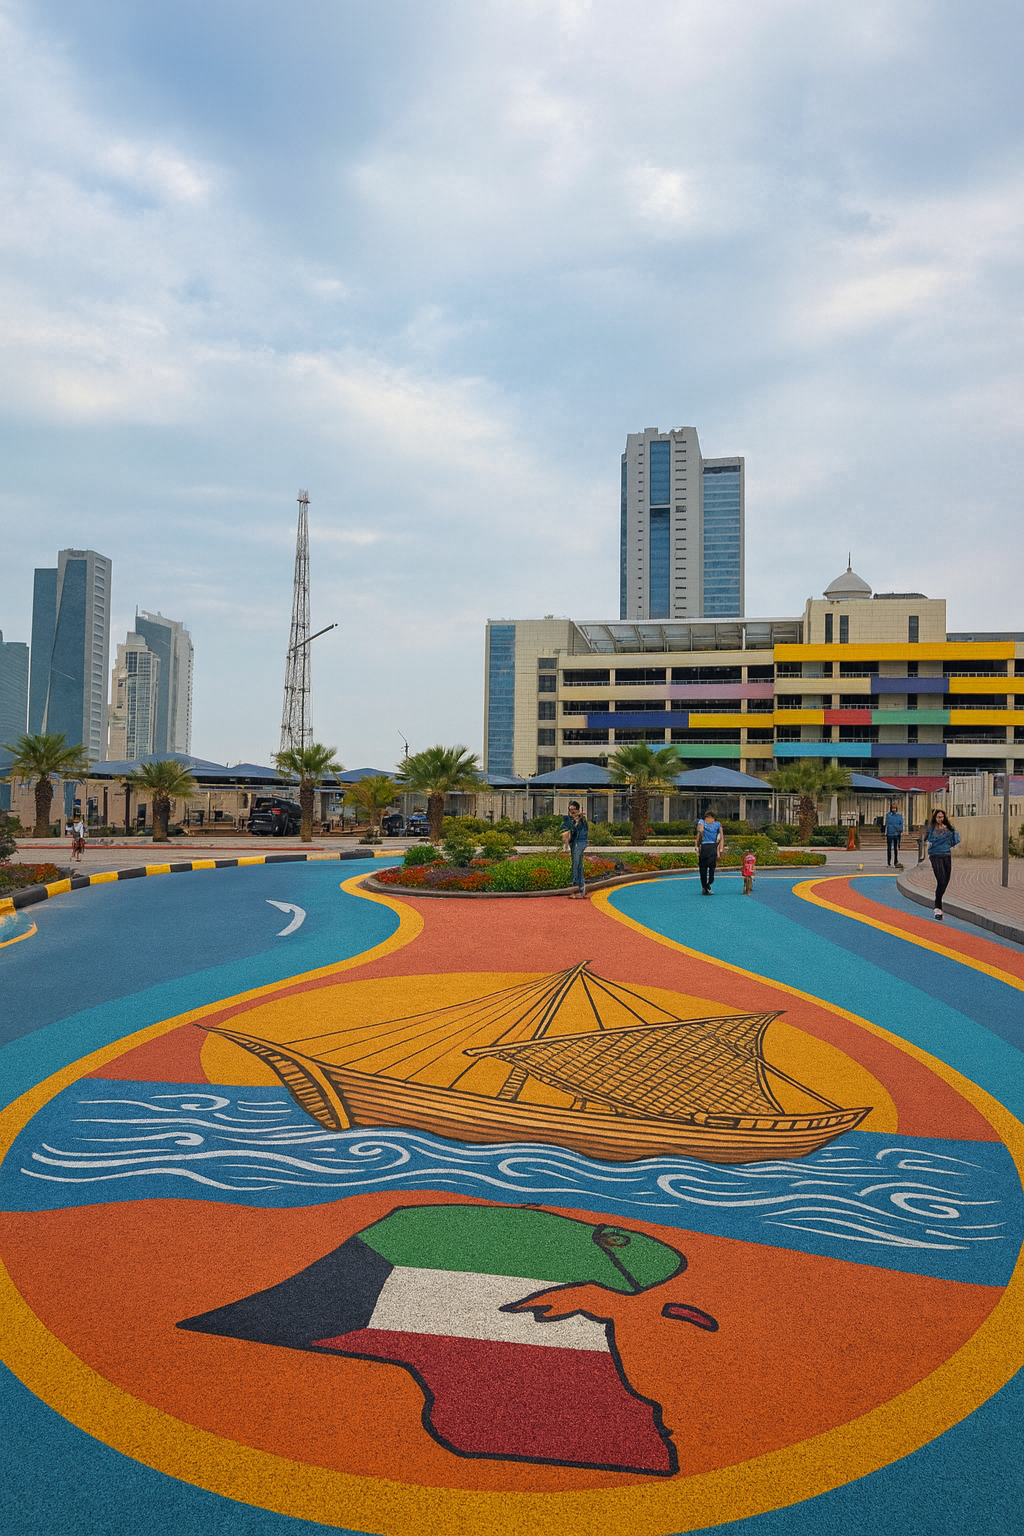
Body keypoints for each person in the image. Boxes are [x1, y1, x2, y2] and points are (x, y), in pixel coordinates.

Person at [925, 809, 959, 920]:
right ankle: (937, 907)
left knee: (946, 880)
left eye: (942, 817)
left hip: (946, 854)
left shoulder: (948, 829)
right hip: (935, 855)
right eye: (938, 817)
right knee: (941, 879)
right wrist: (942, 834)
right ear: (935, 818)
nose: (941, 819)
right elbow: (931, 840)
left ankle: (938, 904)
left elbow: (954, 840)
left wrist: (948, 832)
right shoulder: (931, 829)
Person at [561, 800, 589, 898]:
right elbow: (565, 829)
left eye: (574, 809)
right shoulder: (568, 819)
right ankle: (580, 887)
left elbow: (582, 832)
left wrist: (577, 822)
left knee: (576, 863)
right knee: (578, 864)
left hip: (580, 842)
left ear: (578, 810)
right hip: (573, 842)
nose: (572, 812)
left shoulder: (582, 820)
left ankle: (576, 887)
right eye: (570, 810)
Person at [695, 809, 724, 894]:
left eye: (709, 818)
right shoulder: (702, 822)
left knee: (712, 867)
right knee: (703, 869)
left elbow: (721, 836)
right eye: (706, 818)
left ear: (713, 818)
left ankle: (709, 882)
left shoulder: (717, 824)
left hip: (713, 846)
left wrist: (721, 848)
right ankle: (705, 887)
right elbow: (699, 830)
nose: (707, 819)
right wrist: (697, 846)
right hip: (704, 846)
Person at [884, 801, 905, 869]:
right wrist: (886, 832)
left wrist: (899, 830)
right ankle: (888, 862)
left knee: (896, 848)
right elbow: (887, 824)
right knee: (889, 848)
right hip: (890, 834)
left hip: (896, 834)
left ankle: (896, 861)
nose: (894, 809)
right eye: (893, 808)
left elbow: (901, 824)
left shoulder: (899, 816)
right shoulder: (888, 815)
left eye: (895, 808)